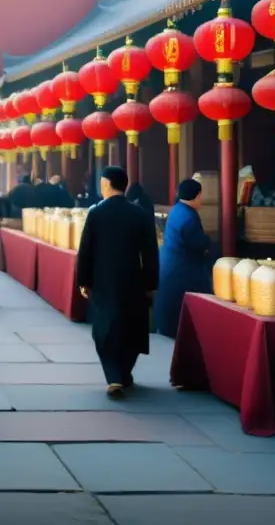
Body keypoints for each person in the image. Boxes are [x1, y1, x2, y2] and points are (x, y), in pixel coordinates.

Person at [75, 166, 159, 400]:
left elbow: (86, 251)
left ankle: (114, 376)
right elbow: (151, 252)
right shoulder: (140, 214)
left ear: (106, 184)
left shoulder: (96, 213)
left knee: (104, 327)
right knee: (132, 326)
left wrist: (83, 279)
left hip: (103, 279)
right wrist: (151, 282)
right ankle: (123, 372)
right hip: (133, 278)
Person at [154, 179, 212, 338]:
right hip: (182, 268)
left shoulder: (177, 210)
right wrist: (208, 241)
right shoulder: (189, 217)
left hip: (170, 264)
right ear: (197, 195)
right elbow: (197, 242)